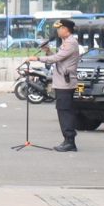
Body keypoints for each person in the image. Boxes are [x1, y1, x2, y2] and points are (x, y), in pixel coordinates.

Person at [37, 18, 83, 151]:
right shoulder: (65, 42)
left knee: (65, 111)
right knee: (62, 110)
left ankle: (70, 141)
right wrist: (47, 51)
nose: (57, 31)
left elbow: (56, 58)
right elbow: (58, 60)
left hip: (65, 83)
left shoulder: (71, 43)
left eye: (59, 28)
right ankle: (67, 140)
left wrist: (38, 58)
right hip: (61, 82)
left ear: (65, 29)